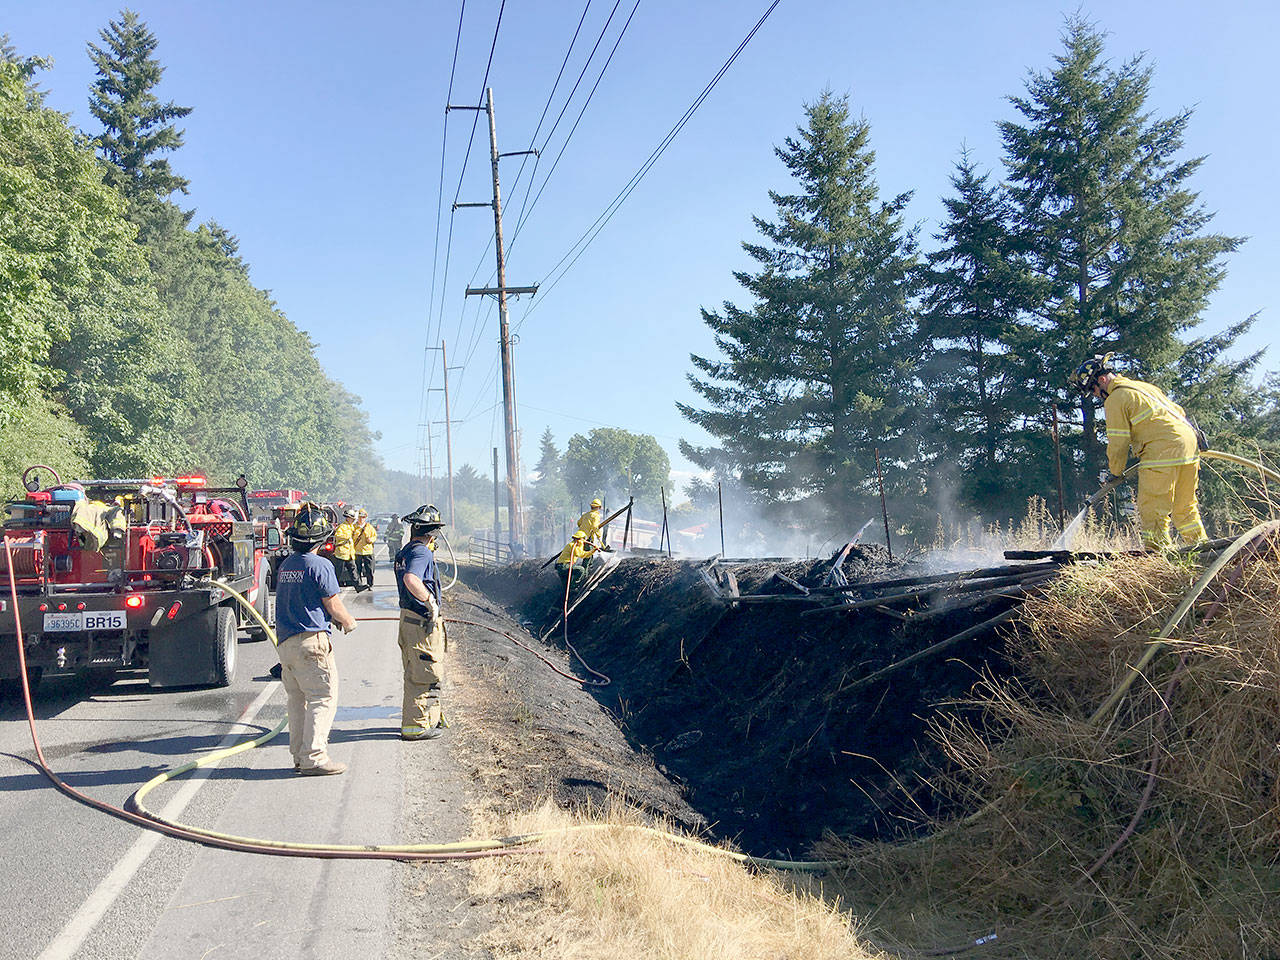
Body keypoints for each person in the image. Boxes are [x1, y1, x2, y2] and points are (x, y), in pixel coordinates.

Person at [1071, 353, 1208, 552]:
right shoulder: (1144, 387)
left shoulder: (1116, 399)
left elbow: (1118, 442)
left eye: (1093, 390)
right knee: (1185, 507)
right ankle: (1204, 552)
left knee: (1152, 509)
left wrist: (1115, 472)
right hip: (1189, 445)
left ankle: (1159, 556)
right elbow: (1178, 411)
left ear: (1102, 380)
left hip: (1161, 451)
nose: (1095, 395)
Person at [274, 502, 357, 776]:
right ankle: (314, 758)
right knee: (322, 697)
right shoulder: (320, 565)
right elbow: (333, 604)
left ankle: (300, 756)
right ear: (322, 539)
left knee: (297, 700)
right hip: (311, 643)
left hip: (286, 644)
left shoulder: (287, 565)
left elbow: (303, 600)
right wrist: (348, 621)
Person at [393, 504, 448, 740]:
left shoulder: (405, 551)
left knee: (418, 671)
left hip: (409, 620)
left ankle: (431, 718)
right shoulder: (421, 553)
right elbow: (411, 579)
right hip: (420, 622)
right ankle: (416, 726)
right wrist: (430, 602)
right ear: (432, 533)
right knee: (424, 673)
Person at [332, 508, 358, 587]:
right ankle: (334, 586)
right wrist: (347, 536)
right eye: (352, 519)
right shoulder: (342, 527)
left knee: (353, 570)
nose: (353, 520)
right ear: (348, 518)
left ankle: (358, 585)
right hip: (341, 553)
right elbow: (338, 535)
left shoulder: (351, 527)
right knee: (338, 571)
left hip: (349, 553)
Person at [353, 508, 376, 592]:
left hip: (368, 551)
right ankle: (360, 585)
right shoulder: (353, 527)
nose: (361, 519)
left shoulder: (369, 527)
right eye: (360, 517)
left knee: (369, 569)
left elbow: (374, 536)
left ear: (365, 518)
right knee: (357, 569)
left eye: (363, 517)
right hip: (357, 551)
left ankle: (370, 584)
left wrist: (371, 540)